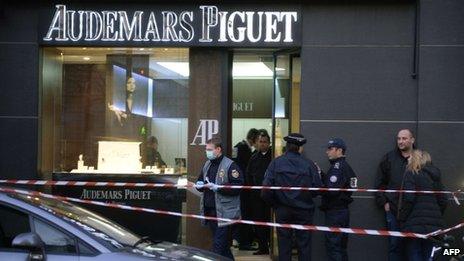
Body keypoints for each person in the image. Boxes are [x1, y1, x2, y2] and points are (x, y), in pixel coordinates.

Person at [261, 133, 322, 261]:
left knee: (284, 245)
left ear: (287, 146)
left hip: (283, 210)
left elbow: (265, 190)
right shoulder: (309, 165)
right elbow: (317, 189)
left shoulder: (276, 163)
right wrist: (304, 198)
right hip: (304, 210)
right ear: (300, 148)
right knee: (304, 245)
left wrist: (275, 204)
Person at [195, 137, 244, 260]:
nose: (207, 152)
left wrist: (219, 187)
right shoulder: (207, 164)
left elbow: (238, 186)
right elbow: (200, 181)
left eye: (210, 149)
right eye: (206, 149)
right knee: (223, 248)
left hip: (225, 213)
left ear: (218, 149)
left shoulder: (230, 165)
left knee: (218, 246)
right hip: (210, 211)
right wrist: (199, 185)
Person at [398, 150, 447, 261]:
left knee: (414, 254)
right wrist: (436, 216)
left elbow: (409, 198)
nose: (408, 159)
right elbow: (443, 200)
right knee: (429, 255)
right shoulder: (435, 176)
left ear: (415, 159)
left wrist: (402, 218)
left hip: (414, 223)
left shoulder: (411, 173)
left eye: (411, 157)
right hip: (434, 226)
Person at [375, 129, 415, 261]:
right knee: (395, 245)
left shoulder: (419, 158)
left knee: (413, 247)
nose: (401, 141)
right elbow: (380, 182)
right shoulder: (389, 158)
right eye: (399, 139)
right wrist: (384, 203)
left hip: (414, 212)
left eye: (404, 138)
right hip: (393, 210)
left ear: (412, 140)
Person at [320, 138, 357, 261]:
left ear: (339, 150)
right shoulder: (346, 167)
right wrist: (321, 174)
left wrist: (318, 187)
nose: (327, 152)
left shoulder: (337, 167)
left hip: (335, 213)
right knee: (341, 247)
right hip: (342, 212)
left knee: (334, 247)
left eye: (330, 149)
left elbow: (331, 191)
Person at [232, 128, 260, 250]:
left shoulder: (241, 147)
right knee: (245, 214)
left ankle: (244, 240)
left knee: (245, 213)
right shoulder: (243, 148)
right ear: (253, 139)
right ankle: (244, 242)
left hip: (242, 188)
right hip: (244, 188)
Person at [247, 130, 272, 255]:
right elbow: (249, 175)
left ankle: (271, 245)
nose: (262, 144)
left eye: (265, 142)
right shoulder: (254, 157)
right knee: (258, 221)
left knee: (269, 221)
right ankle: (263, 247)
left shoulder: (273, 157)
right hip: (256, 196)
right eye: (260, 142)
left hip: (270, 195)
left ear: (269, 143)